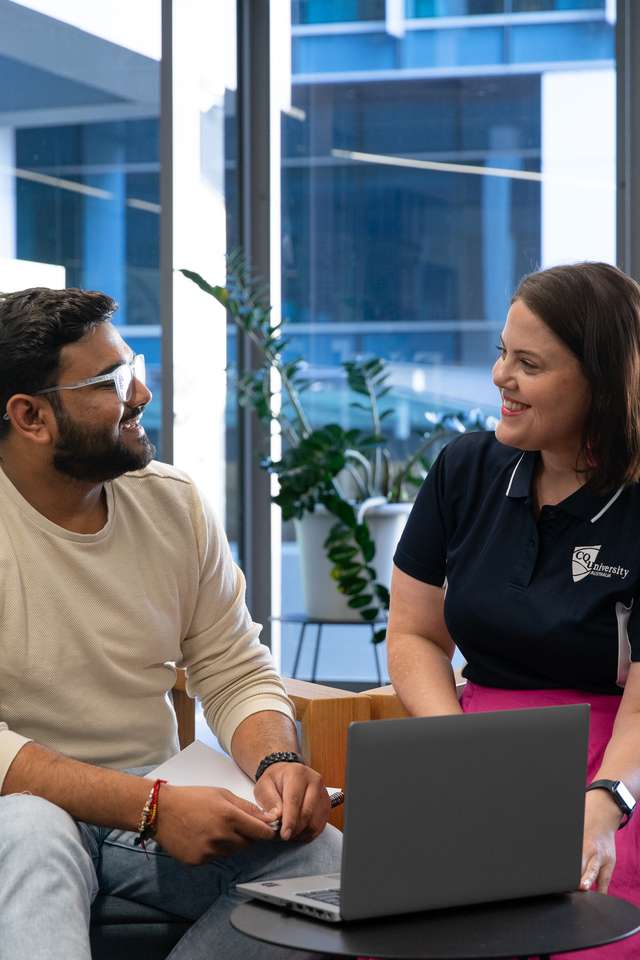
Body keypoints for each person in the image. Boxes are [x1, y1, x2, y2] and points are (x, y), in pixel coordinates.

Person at [0, 286, 341, 960]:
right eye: (112, 381)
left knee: (328, 866)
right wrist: (150, 805)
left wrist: (275, 760)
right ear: (30, 416)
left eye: (136, 367)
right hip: (22, 805)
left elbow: (233, 667)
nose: (140, 394)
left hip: (155, 798)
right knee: (31, 834)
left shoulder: (172, 502)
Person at [389, 261, 640, 959]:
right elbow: (413, 634)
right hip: (470, 749)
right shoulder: (464, 470)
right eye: (503, 352)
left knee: (587, 940)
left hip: (614, 765)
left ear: (599, 380)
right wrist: (456, 750)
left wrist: (606, 804)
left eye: (529, 363)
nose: (501, 376)